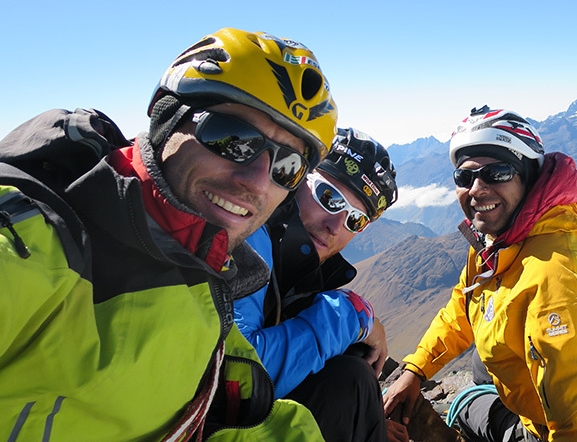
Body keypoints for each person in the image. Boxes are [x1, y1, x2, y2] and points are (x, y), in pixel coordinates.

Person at [0, 27, 338, 441]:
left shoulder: (204, 268)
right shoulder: (32, 239)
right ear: (165, 116)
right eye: (232, 138)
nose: (258, 181)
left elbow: (222, 418)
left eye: (288, 165)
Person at [383, 106, 577, 442]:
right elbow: (465, 304)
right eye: (464, 177)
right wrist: (416, 369)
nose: (477, 189)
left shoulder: (554, 277)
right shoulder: (497, 239)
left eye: (497, 173)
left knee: (467, 406)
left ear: (528, 177)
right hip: (545, 403)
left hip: (564, 430)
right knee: (484, 359)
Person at [235, 127, 409, 442]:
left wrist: (365, 417)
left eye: (356, 219)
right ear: (298, 179)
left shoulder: (292, 261)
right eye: (329, 198)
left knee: (352, 365)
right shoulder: (247, 241)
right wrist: (350, 314)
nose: (335, 226)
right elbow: (239, 379)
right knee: (351, 376)